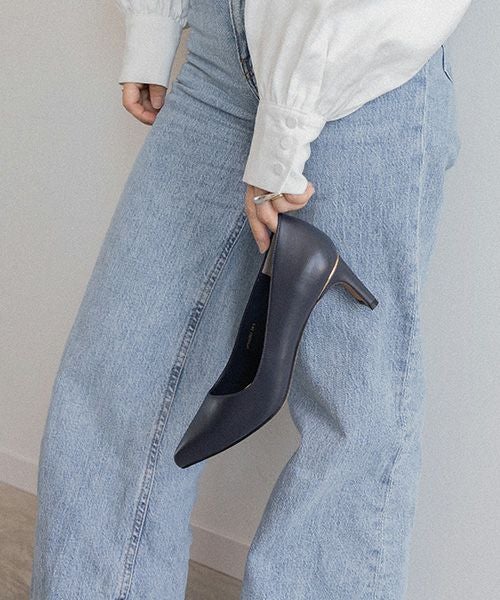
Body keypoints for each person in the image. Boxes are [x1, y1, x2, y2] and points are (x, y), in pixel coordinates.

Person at [30, 0, 471, 598]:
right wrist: (155, 18)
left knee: (349, 425)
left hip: (361, 67)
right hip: (217, 57)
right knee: (121, 384)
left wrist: (288, 123)